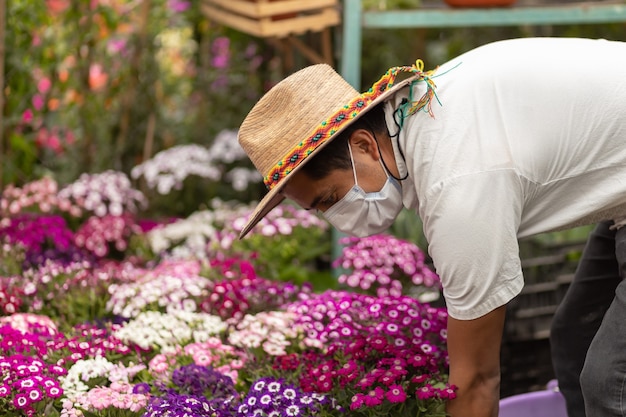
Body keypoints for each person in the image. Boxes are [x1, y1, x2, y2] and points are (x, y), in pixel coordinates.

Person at [236, 37, 626, 417]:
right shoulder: (424, 117)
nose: (333, 217)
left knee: (610, 382)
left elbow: (475, 380)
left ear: (364, 146)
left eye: (329, 199)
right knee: (578, 338)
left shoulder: (456, 181)